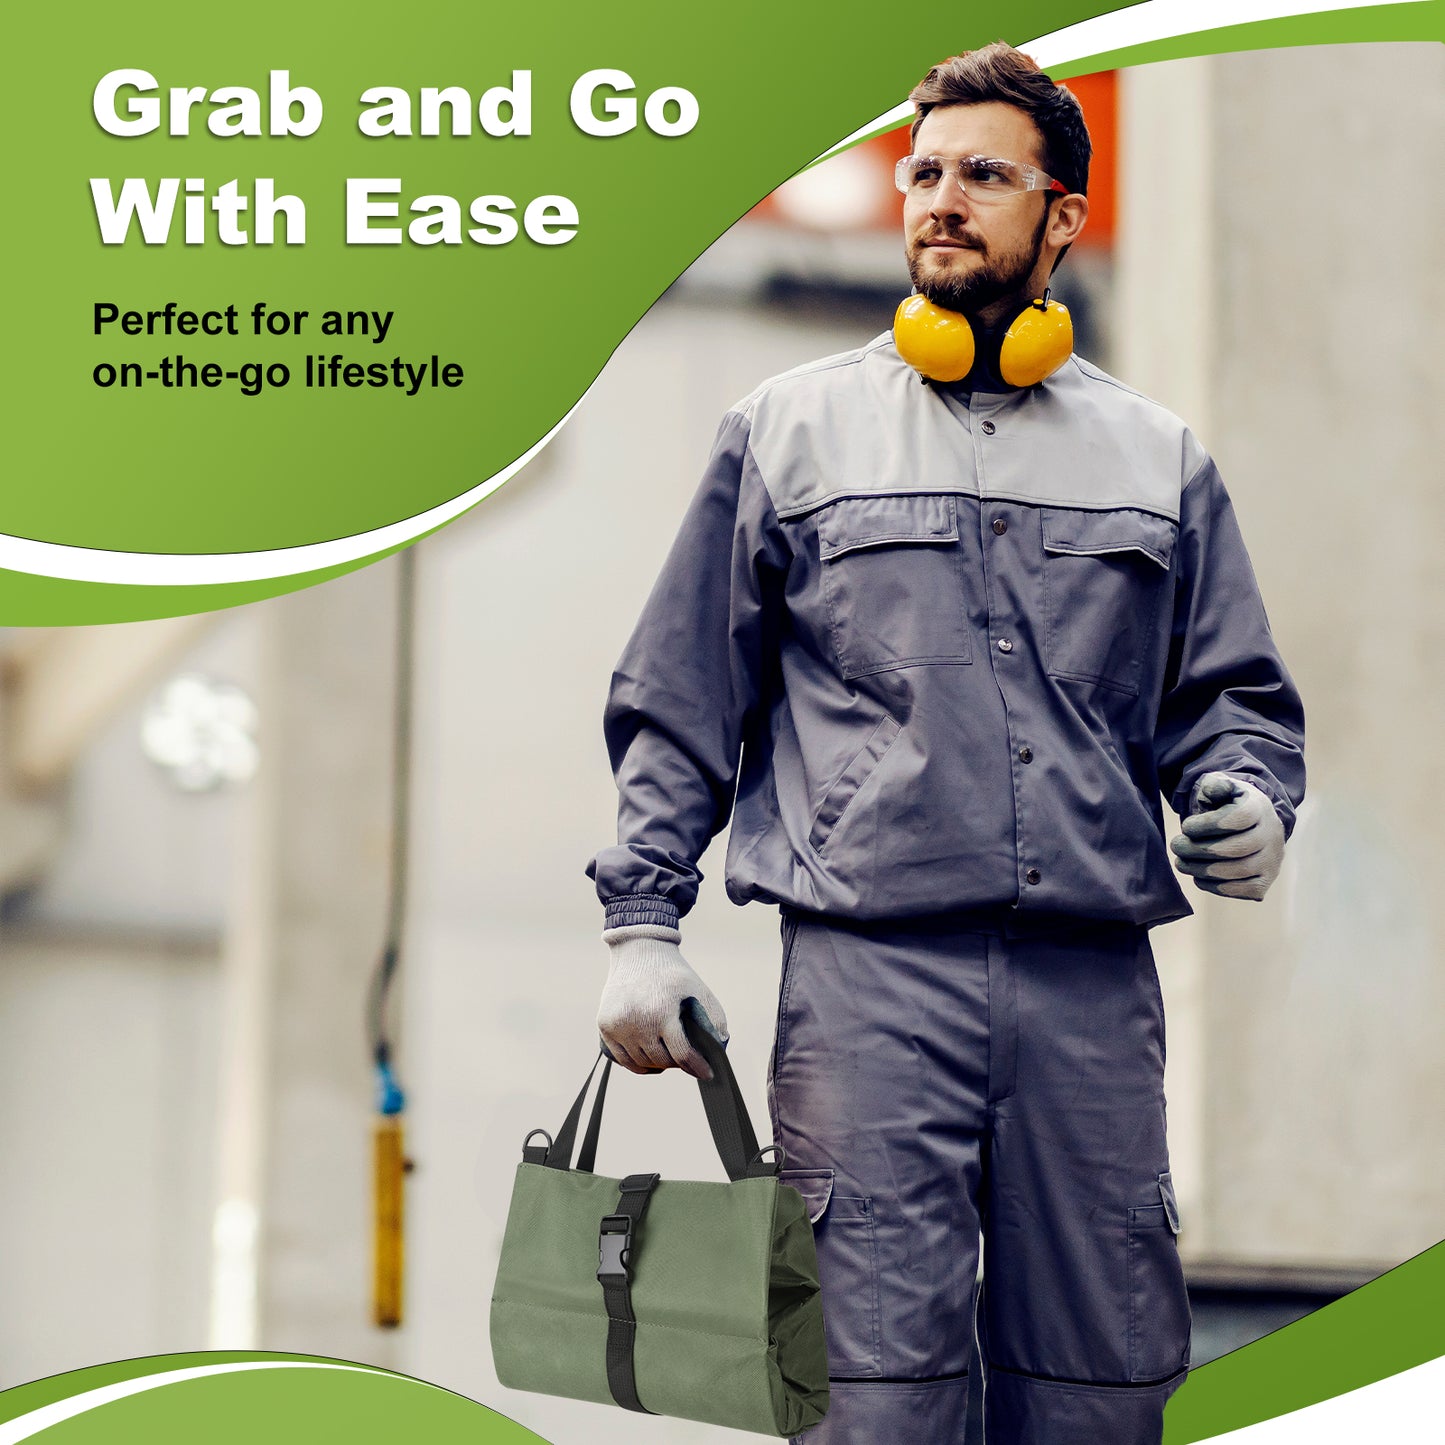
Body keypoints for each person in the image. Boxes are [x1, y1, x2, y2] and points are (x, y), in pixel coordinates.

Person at [587, 42, 1305, 1445]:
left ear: (1060, 218)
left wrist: (1248, 796)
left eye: (984, 175)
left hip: (1089, 993)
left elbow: (1228, 699)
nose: (940, 199)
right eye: (923, 173)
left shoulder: (1154, 459)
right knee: (866, 1392)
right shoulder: (787, 435)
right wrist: (639, 923)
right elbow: (682, 697)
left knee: (1099, 1388)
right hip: (869, 985)